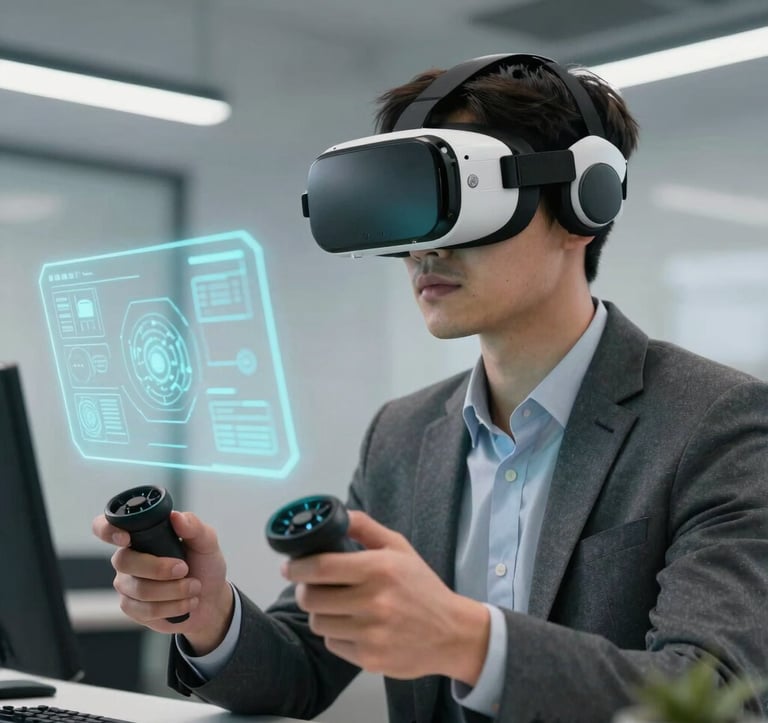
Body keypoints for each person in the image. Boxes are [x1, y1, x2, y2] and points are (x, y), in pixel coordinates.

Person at [93, 55, 768, 723]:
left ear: (581, 202)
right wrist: (211, 615)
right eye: (409, 211)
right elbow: (302, 668)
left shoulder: (716, 424)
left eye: (460, 203)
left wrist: (466, 640)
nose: (424, 249)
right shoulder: (403, 435)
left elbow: (716, 695)